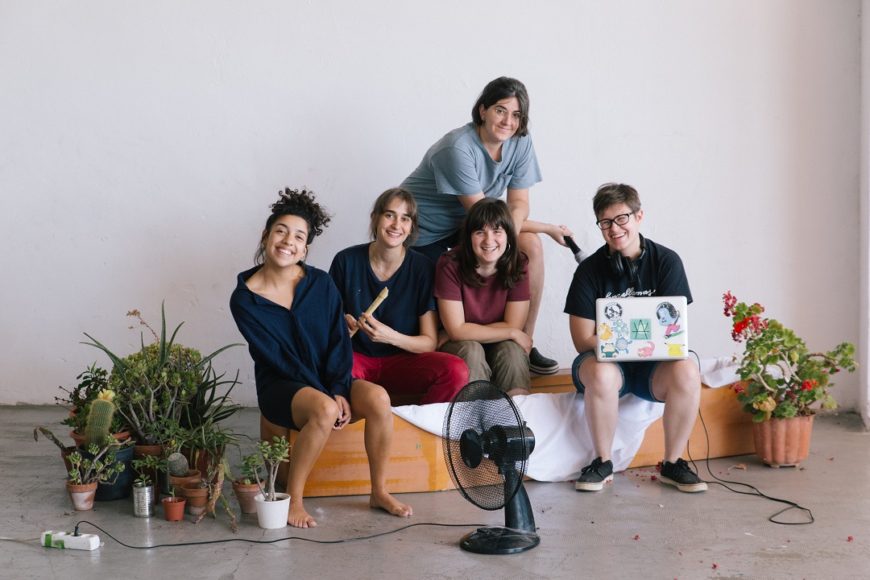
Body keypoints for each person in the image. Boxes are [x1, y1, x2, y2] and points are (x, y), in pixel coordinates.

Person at [230, 187, 413, 528]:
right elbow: (279, 358)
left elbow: (336, 343)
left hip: (327, 382)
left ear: (305, 248)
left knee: (377, 398)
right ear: (266, 235)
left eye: (299, 236)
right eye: (281, 231)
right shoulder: (245, 299)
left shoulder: (320, 283)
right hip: (282, 386)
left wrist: (340, 387)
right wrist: (330, 396)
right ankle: (294, 501)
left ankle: (379, 491)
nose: (288, 241)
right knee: (325, 409)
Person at [400, 76, 572, 376]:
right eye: (500, 110)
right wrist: (545, 226)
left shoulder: (520, 141)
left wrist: (518, 234)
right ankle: (444, 352)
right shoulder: (457, 148)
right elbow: (482, 215)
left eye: (516, 115)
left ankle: (524, 343)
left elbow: (517, 205)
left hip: (468, 224)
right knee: (438, 297)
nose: (508, 121)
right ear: (482, 111)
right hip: (425, 231)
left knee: (529, 245)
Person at [564, 183, 707, 493]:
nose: (614, 229)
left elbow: (674, 332)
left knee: (687, 369)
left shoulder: (667, 262)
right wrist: (622, 345)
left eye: (621, 219)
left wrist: (638, 344)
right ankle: (602, 463)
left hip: (650, 369)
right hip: (603, 364)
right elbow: (581, 339)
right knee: (602, 372)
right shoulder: (589, 271)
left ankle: (672, 463)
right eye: (605, 222)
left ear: (639, 216)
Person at [329, 187, 468, 405]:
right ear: (375, 218)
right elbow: (328, 331)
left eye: (405, 218)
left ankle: (418, 425)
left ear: (411, 226)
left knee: (456, 371)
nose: (396, 225)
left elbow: (428, 343)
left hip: (404, 361)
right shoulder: (345, 261)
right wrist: (341, 327)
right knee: (329, 365)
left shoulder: (422, 268)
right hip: (357, 361)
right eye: (389, 215)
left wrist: (389, 336)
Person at [435, 198, 532, 396]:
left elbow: (513, 323)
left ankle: (517, 421)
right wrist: (511, 332)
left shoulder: (519, 263)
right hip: (460, 345)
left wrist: (464, 330)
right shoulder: (450, 264)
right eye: (480, 232)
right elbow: (456, 331)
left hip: (498, 342)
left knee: (512, 352)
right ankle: (475, 421)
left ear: (508, 236)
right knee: (472, 350)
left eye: (497, 231)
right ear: (469, 237)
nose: (489, 240)